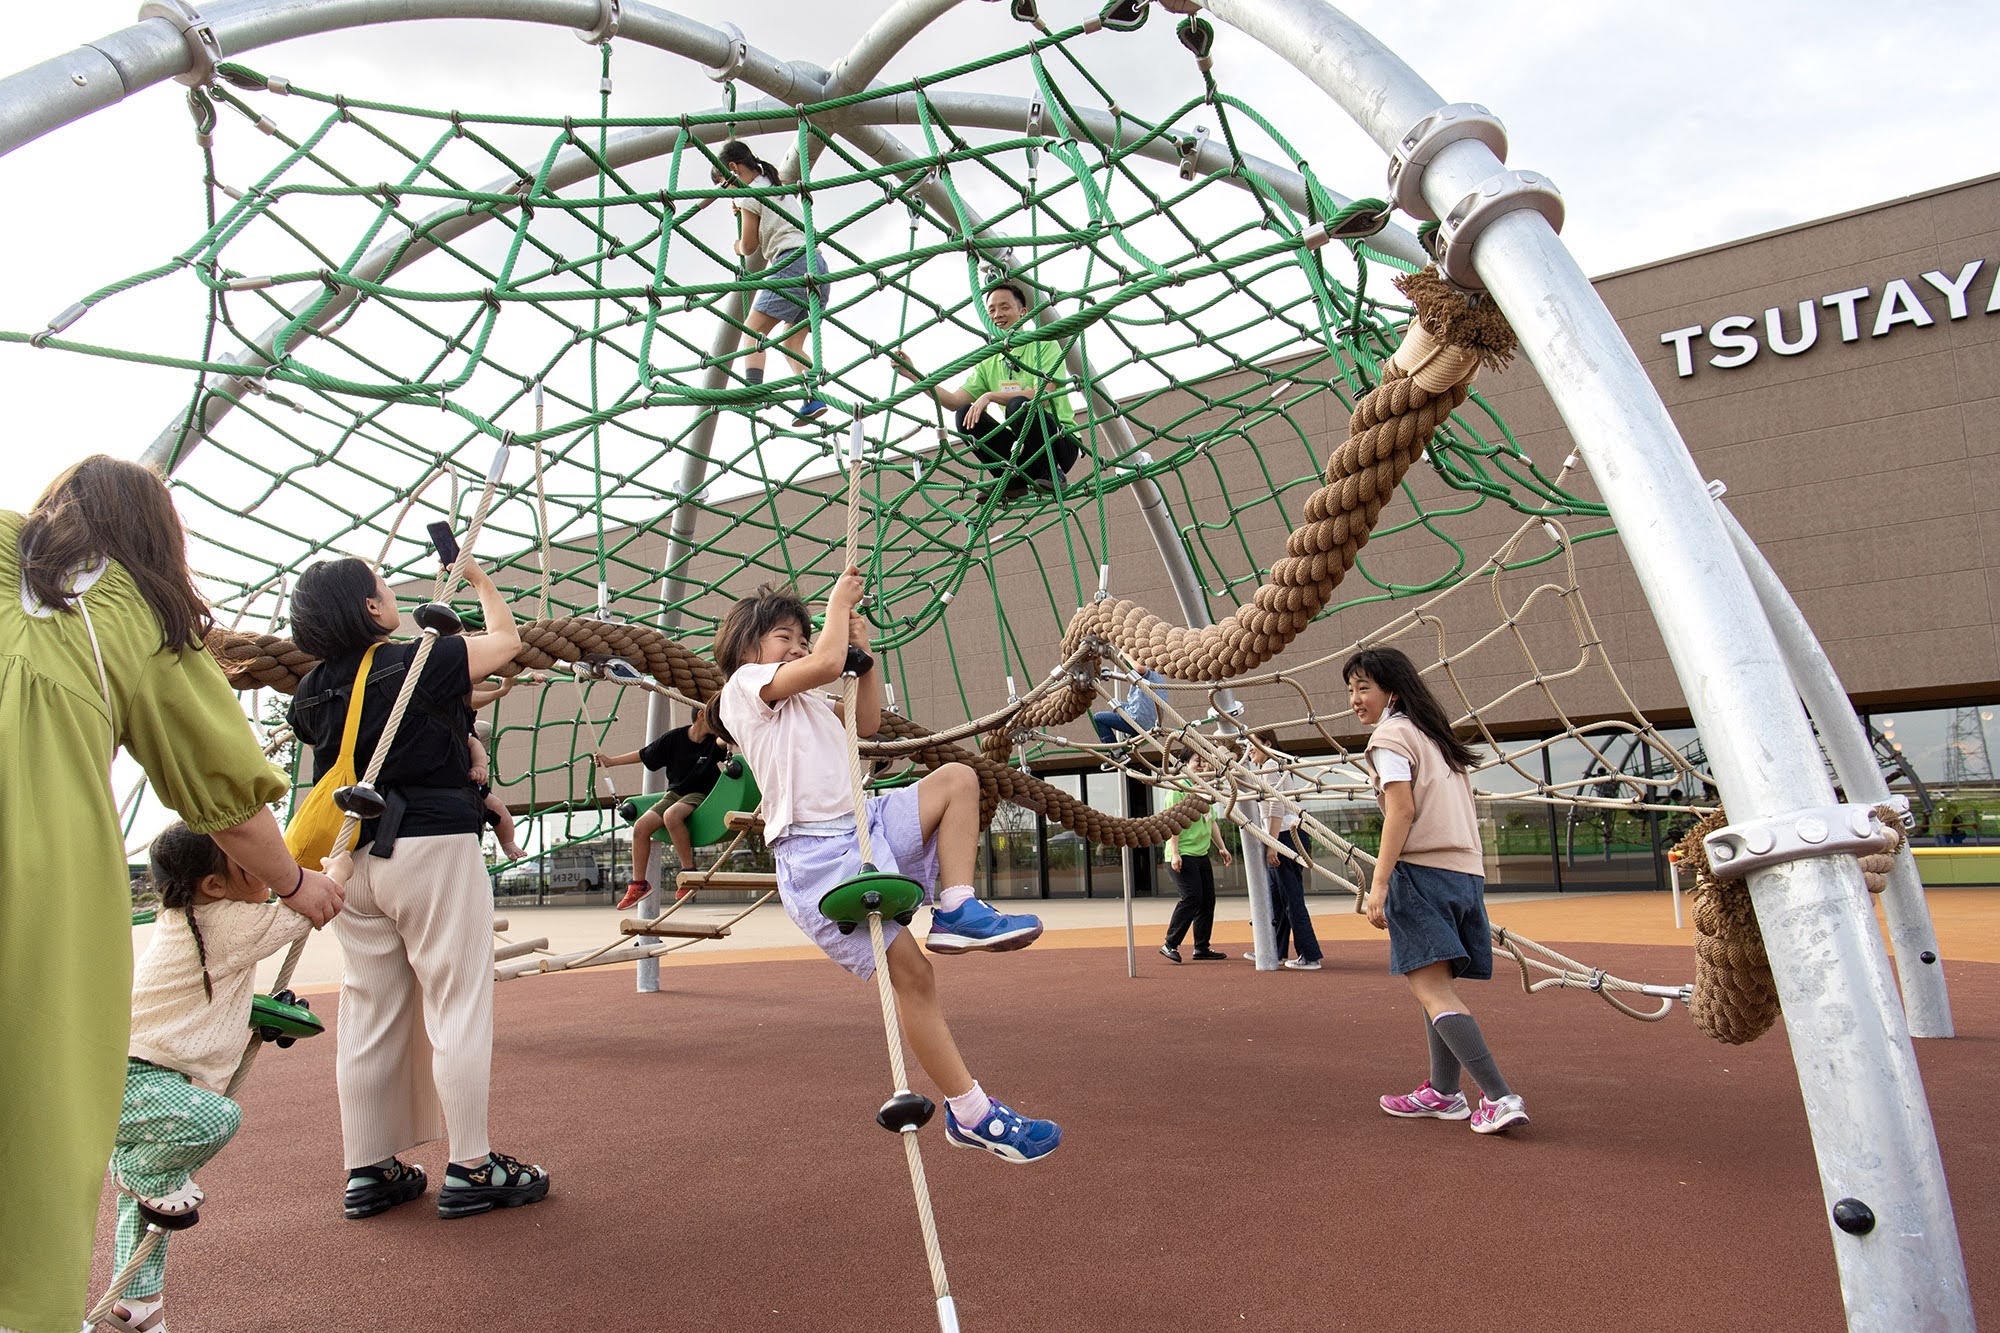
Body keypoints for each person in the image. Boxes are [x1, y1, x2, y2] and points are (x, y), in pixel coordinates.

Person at [0, 456, 342, 1333]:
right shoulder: (131, 607)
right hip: (37, 876)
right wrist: (300, 884)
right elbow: (226, 792)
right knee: (35, 1120)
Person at [714, 574, 1060, 1162]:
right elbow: (824, 664)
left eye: (801, 639)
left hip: (865, 824)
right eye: (783, 638)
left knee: (957, 780)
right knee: (914, 977)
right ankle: (972, 1112)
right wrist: (835, 612)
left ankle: (956, 907)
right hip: (817, 856)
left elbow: (868, 722)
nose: (796, 648)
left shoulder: (813, 703)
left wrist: (865, 655)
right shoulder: (746, 689)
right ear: (747, 649)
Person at [287, 554, 551, 1221]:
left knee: (369, 1009)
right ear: (373, 609)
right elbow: (507, 642)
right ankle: (471, 1164)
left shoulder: (311, 691)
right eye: (382, 586)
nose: (391, 592)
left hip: (352, 855)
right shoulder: (418, 659)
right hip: (431, 845)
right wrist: (480, 581)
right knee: (458, 997)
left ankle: (369, 1168)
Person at [105, 822, 324, 1332]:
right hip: (139, 1078)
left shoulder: (196, 918)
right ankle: (141, 1176)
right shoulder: (221, 920)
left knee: (149, 1211)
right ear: (215, 885)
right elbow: (314, 905)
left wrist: (257, 1013)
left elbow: (204, 1004)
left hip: (143, 1078)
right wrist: (335, 868)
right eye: (254, 860)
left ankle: (136, 1305)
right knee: (213, 1122)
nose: (271, 866)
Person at [1344, 646, 1528, 1134]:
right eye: (1351, 689)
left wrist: (1379, 884)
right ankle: (1444, 1093)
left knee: (1433, 992)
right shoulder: (1437, 738)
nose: (1354, 699)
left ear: (1392, 691)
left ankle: (1499, 1096)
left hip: (1422, 874)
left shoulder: (1391, 737)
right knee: (1436, 989)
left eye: (1364, 688)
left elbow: (1401, 811)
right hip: (1464, 876)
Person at [891, 282, 1082, 499]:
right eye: (991, 309)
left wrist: (990, 396)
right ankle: (1010, 480)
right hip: (1021, 451)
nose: (998, 314)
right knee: (964, 414)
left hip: (1059, 444)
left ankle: (1052, 471)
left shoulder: (1043, 344)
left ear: (1023, 312)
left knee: (1018, 405)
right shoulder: (990, 360)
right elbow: (953, 401)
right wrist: (914, 375)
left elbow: (1044, 395)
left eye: (1005, 307)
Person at [714, 140, 830, 425]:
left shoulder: (748, 195)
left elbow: (750, 246)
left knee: (751, 329)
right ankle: (812, 396)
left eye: (724, 187)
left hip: (791, 263)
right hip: (818, 265)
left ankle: (753, 391)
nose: (727, 195)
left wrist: (736, 245)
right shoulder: (776, 181)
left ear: (733, 169)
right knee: (791, 342)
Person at [594, 698, 729, 908]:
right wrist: (611, 761)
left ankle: (688, 871)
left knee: (671, 816)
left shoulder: (715, 741)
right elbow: (644, 754)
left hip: (703, 795)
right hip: (675, 794)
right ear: (702, 715)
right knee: (641, 826)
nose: (719, 724)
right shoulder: (675, 739)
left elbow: (726, 741)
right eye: (716, 719)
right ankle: (639, 884)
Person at [1251, 730, 1322, 971]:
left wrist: (1273, 845)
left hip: (1283, 835)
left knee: (1291, 897)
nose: (1249, 750)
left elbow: (1276, 806)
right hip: (1283, 834)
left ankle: (1309, 954)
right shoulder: (1270, 767)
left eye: (1253, 745)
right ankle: (1274, 949)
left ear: (1268, 744)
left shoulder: (1272, 766)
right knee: (1276, 899)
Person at [1158, 755, 1233, 963]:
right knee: (1192, 897)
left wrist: (1222, 847)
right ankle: (1169, 944)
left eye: (1204, 762)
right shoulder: (1180, 789)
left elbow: (1212, 822)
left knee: (1207, 900)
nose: (1201, 766)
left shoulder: (1205, 790)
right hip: (1183, 854)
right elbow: (1173, 823)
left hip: (1200, 854)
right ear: (1185, 764)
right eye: (1196, 761)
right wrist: (1175, 854)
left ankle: (1201, 947)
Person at [469, 721, 526, 863]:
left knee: (496, 806)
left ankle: (508, 842)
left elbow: (475, 744)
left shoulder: (464, 734)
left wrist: (479, 767)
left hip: (470, 785)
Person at [1092, 667, 1166, 754]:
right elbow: (1128, 674)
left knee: (1098, 718)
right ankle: (1133, 735)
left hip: (1139, 720)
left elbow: (1140, 669)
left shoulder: (1144, 671)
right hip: (1152, 722)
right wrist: (1109, 673)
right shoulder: (1158, 677)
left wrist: (1125, 653)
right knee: (1120, 706)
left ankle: (1116, 753)